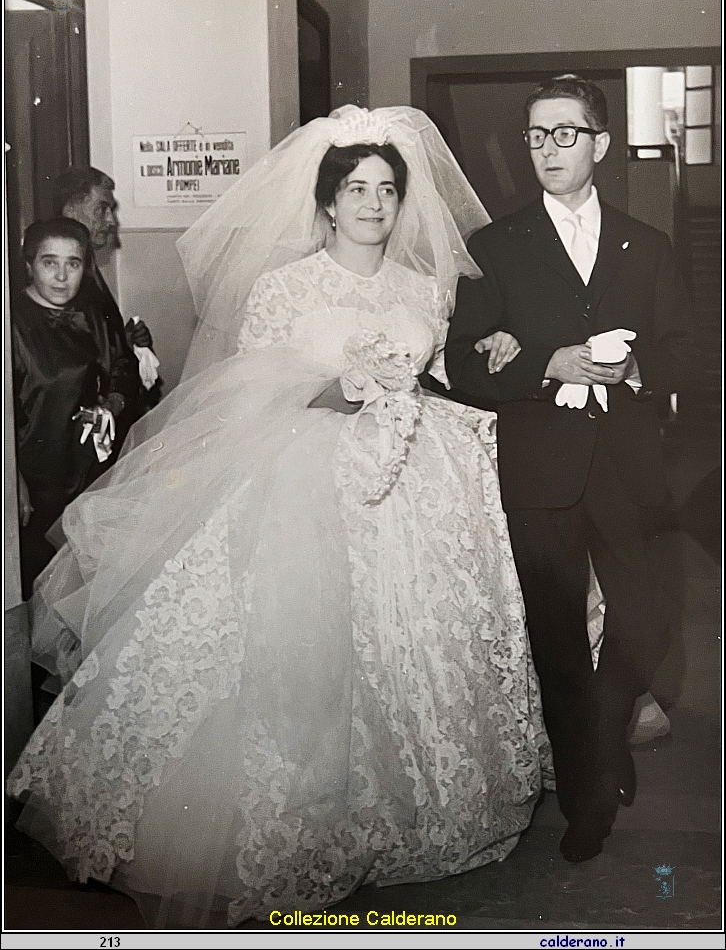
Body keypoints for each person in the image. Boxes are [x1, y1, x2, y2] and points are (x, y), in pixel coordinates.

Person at [8, 108, 549, 928]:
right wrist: (343, 393)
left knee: (414, 646)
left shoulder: (427, 290)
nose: (373, 204)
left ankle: (416, 807)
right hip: (306, 481)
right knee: (296, 650)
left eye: (388, 191)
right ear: (328, 203)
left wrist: (473, 365)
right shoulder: (286, 287)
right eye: (357, 189)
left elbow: (435, 378)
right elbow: (245, 397)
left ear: (404, 205)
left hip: (415, 491)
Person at [445, 75, 692, 863]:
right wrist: (545, 364)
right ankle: (586, 799)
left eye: (564, 134)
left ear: (600, 145)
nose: (548, 149)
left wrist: (639, 374)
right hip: (541, 472)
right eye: (536, 136)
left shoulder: (645, 243)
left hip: (627, 466)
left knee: (650, 615)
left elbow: (685, 349)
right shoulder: (495, 247)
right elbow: (460, 363)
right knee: (556, 643)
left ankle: (606, 725)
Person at [11, 218, 141, 601]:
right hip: (34, 477)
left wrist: (110, 404)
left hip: (88, 467)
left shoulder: (91, 314)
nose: (63, 276)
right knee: (36, 583)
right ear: (30, 264)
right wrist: (11, 480)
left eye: (74, 263)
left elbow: (122, 368)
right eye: (50, 262)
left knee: (85, 583)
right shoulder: (11, 322)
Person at [53, 166, 162, 409]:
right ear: (70, 212)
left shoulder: (88, 266)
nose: (111, 221)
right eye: (102, 209)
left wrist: (122, 340)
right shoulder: (59, 278)